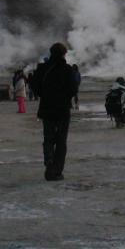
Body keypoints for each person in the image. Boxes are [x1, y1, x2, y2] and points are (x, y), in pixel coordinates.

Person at [33, 42, 77, 181]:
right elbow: (73, 89)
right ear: (64, 54)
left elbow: (35, 87)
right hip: (63, 109)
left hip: (47, 108)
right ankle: (57, 170)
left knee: (48, 138)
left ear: (51, 53)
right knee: (61, 140)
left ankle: (49, 163)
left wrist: (46, 96)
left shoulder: (42, 69)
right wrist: (63, 98)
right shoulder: (67, 70)